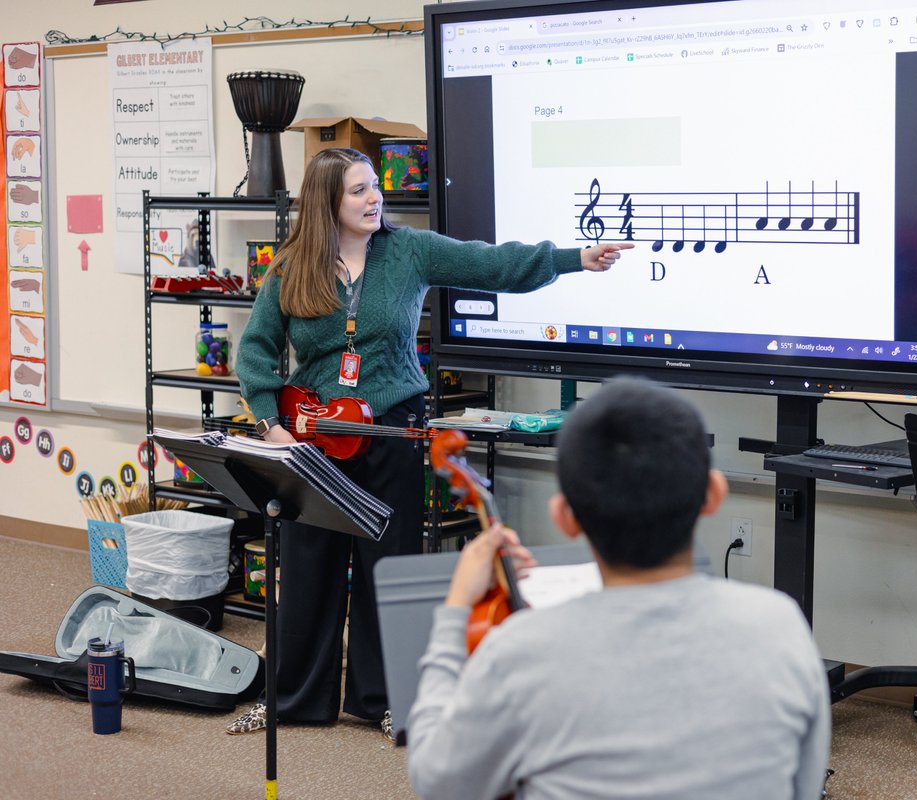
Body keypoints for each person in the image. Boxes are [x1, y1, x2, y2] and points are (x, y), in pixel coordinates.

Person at [226, 147, 630, 737]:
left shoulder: (409, 250)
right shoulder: (291, 266)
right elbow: (256, 350)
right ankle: (293, 698)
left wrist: (573, 258)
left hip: (390, 427)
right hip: (313, 438)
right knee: (309, 564)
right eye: (359, 191)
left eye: (374, 188)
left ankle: (385, 699)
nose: (374, 198)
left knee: (387, 565)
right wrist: (271, 421)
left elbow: (492, 265)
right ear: (327, 203)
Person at [406, 378, 832, 799]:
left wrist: (456, 610)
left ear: (564, 516)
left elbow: (438, 781)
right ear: (713, 494)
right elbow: (804, 786)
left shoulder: (518, 652)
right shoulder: (781, 626)